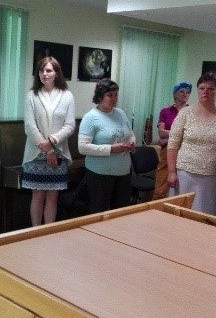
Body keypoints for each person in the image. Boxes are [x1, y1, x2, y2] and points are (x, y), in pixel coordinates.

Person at [167, 72, 216, 217]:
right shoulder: (185, 113)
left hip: (215, 177)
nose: (205, 92)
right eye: (202, 88)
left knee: (209, 217)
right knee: (183, 215)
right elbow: (172, 145)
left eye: (211, 89)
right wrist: (172, 172)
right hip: (185, 174)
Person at [22, 56, 75, 225]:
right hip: (36, 153)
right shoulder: (32, 95)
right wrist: (47, 149)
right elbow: (29, 126)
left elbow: (70, 125)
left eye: (48, 70)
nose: (44, 74)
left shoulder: (67, 95)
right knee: (37, 196)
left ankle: (48, 232)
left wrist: (52, 141)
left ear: (56, 73)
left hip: (58, 152)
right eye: (41, 71)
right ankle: (36, 232)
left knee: (52, 197)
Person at [78, 79, 135, 214]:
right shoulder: (90, 117)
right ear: (100, 96)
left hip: (123, 173)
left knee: (120, 214)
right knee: (99, 213)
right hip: (100, 175)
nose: (114, 99)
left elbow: (130, 134)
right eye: (110, 95)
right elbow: (82, 147)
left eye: (116, 95)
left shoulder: (120, 113)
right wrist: (111, 149)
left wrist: (132, 142)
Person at [153, 81, 191, 199]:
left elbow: (191, 134)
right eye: (181, 91)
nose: (185, 94)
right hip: (167, 151)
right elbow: (161, 133)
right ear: (175, 94)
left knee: (181, 186)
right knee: (161, 186)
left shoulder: (191, 112)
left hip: (186, 152)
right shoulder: (166, 111)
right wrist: (180, 133)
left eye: (187, 92)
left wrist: (168, 137)